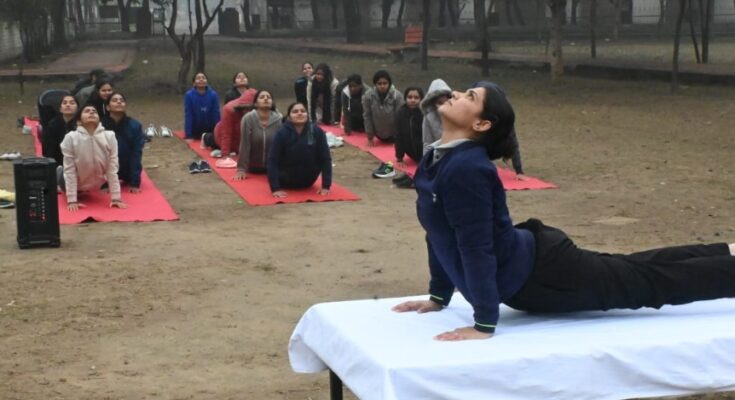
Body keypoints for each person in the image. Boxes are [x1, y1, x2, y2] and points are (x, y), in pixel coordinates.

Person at [392, 81, 735, 342]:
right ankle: (725, 252)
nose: (455, 93)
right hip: (535, 258)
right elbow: (437, 233)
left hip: (545, 273)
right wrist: (439, 295)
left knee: (645, 284)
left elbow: (475, 245)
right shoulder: (437, 158)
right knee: (633, 267)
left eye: (470, 96)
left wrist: (484, 322)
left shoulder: (466, 168)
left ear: (482, 125)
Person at [58, 105, 126, 211]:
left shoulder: (110, 136)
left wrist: (116, 198)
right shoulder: (71, 137)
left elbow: (112, 167)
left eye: (94, 111)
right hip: (70, 181)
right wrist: (72, 200)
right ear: (79, 121)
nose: (91, 112)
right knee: (61, 173)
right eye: (87, 111)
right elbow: (70, 170)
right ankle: (58, 173)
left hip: (96, 185)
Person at [267, 102, 331, 198]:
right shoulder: (281, 133)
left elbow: (325, 159)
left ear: (307, 115)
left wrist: (326, 186)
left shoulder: (317, 131)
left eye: (303, 111)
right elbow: (272, 160)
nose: (299, 113)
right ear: (289, 117)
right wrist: (275, 188)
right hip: (285, 182)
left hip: (308, 181)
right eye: (295, 112)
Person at [101, 92, 146, 193]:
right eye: (115, 100)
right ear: (108, 107)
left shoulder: (135, 125)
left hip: (127, 168)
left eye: (121, 100)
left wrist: (135, 182)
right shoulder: (100, 126)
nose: (119, 102)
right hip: (104, 171)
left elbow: (136, 153)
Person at [235, 90, 282, 180]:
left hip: (271, 168)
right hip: (252, 167)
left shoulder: (279, 119)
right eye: (262, 97)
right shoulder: (248, 118)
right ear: (255, 104)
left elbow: (281, 145)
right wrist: (241, 169)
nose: (265, 99)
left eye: (268, 97)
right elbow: (245, 144)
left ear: (272, 103)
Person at [206, 86, 258, 158]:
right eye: (245, 108)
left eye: (250, 109)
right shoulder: (229, 109)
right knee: (211, 140)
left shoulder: (261, 111)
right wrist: (225, 154)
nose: (247, 111)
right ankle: (205, 137)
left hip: (240, 137)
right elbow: (226, 133)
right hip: (221, 134)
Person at [362, 70, 404, 147]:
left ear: (389, 84)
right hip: (378, 135)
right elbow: (367, 116)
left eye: (385, 83)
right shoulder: (368, 96)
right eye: (379, 83)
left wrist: (399, 138)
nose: (382, 86)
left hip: (394, 136)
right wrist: (370, 137)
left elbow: (400, 118)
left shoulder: (397, 96)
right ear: (375, 84)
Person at [42, 95, 78, 166]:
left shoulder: (81, 124)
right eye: (64, 103)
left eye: (72, 103)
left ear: (77, 108)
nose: (68, 105)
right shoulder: (52, 125)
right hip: (57, 163)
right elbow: (48, 149)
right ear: (60, 109)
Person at [184, 71, 220, 140]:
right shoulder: (189, 95)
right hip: (195, 129)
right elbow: (188, 114)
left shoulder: (213, 95)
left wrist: (218, 132)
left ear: (207, 81)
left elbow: (216, 114)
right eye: (198, 78)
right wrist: (188, 134)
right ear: (194, 83)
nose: (201, 79)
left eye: (203, 78)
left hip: (210, 130)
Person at [394, 86, 424, 167]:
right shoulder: (400, 113)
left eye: (416, 97)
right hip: (410, 152)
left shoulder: (425, 113)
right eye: (410, 97)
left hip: (425, 152)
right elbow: (398, 136)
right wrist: (399, 158)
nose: (413, 100)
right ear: (405, 98)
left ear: (421, 99)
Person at [420, 79, 451, 155]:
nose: (443, 105)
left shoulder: (457, 113)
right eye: (439, 103)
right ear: (433, 104)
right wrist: (426, 162)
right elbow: (427, 142)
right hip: (439, 155)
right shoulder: (428, 117)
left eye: (446, 102)